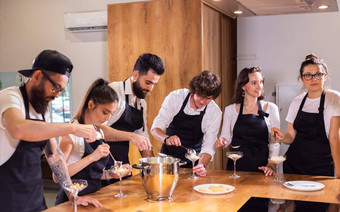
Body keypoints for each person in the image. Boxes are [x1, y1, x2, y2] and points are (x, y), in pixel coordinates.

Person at [0, 50, 102, 211]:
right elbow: (18, 128)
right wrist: (73, 128)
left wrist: (72, 194)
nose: (56, 95)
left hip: (34, 198)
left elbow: (54, 155)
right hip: (6, 199)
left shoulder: (41, 110)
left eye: (61, 90)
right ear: (37, 76)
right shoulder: (10, 97)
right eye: (55, 87)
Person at [272, 54, 340, 211]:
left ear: (325, 76)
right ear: (302, 79)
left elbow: (334, 137)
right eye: (308, 75)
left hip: (322, 168)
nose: (313, 79)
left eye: (318, 74)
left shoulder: (333, 98)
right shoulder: (297, 101)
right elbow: (290, 136)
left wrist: (339, 174)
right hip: (295, 167)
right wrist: (282, 137)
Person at [54, 78, 131, 205]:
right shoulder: (70, 134)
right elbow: (57, 177)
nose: (107, 118)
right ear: (90, 105)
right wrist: (92, 157)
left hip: (94, 196)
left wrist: (109, 175)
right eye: (105, 112)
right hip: (72, 201)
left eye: (111, 114)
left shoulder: (98, 132)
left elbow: (90, 175)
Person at [215, 66, 280, 212]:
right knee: (235, 205)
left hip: (262, 166)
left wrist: (271, 164)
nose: (259, 86)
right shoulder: (231, 110)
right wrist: (222, 141)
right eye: (254, 83)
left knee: (259, 207)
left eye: (261, 82)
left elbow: (275, 142)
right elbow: (226, 137)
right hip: (237, 165)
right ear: (243, 86)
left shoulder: (271, 108)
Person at [100, 53, 165, 185]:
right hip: (101, 167)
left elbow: (143, 138)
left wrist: (153, 167)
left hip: (122, 167)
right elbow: (98, 130)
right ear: (135, 75)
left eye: (154, 84)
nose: (150, 88)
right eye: (148, 82)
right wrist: (131, 136)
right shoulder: (113, 92)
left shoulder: (142, 104)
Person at [151, 70, 222, 177]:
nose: (202, 102)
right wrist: (166, 138)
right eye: (200, 96)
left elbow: (208, 146)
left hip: (194, 162)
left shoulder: (214, 112)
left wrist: (201, 165)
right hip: (168, 161)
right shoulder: (176, 97)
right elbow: (155, 129)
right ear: (193, 91)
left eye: (208, 98)